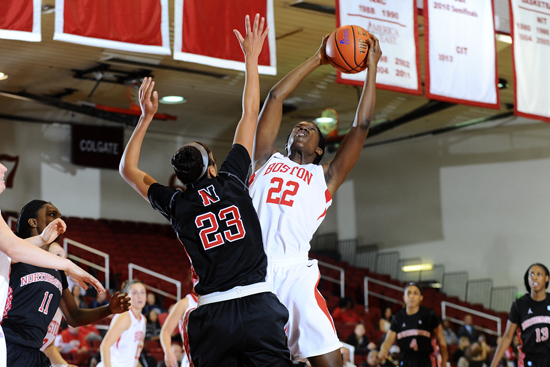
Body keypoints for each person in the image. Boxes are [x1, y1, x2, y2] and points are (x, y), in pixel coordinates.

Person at [119, 14, 292, 367]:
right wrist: (251, 58)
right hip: (259, 304)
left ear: (180, 178)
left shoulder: (177, 203)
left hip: (212, 315)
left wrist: (145, 117)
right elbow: (249, 113)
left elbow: (128, 170)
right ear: (212, 167)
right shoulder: (232, 180)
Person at [248, 27, 382, 365]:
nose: (301, 127)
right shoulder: (264, 160)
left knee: (331, 361)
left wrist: (372, 69)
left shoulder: (325, 177)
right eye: (297, 126)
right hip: (252, 272)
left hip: (294, 273)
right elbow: (274, 97)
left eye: (310, 128)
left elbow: (362, 125)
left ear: (320, 149)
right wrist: (319, 58)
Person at [1, 199, 131, 367]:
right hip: (6, 344)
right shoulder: (11, 249)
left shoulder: (56, 266)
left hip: (33, 351)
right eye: (52, 215)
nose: (59, 221)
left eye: (60, 216)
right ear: (33, 221)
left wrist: (108, 309)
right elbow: (12, 250)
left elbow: (73, 316)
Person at [489, 263, 550, 367]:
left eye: (539, 274)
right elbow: (507, 337)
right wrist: (493, 365)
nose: (534, 277)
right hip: (528, 360)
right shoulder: (519, 305)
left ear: (546, 278)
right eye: (531, 275)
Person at [379, 282, 448, 367]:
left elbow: (441, 340)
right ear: (404, 298)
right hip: (406, 361)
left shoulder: (429, 315)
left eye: (415, 293)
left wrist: (444, 363)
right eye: (409, 293)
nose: (411, 296)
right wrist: (383, 349)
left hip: (426, 361)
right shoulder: (397, 318)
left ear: (421, 297)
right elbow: (388, 340)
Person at [96, 279, 146, 367]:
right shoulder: (125, 317)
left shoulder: (143, 320)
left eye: (142, 292)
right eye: (135, 293)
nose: (139, 296)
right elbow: (105, 346)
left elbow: (133, 355)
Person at [160, 294, 197, 367]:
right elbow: (165, 331)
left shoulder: (216, 301)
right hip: (192, 356)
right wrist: (168, 351)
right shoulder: (185, 303)